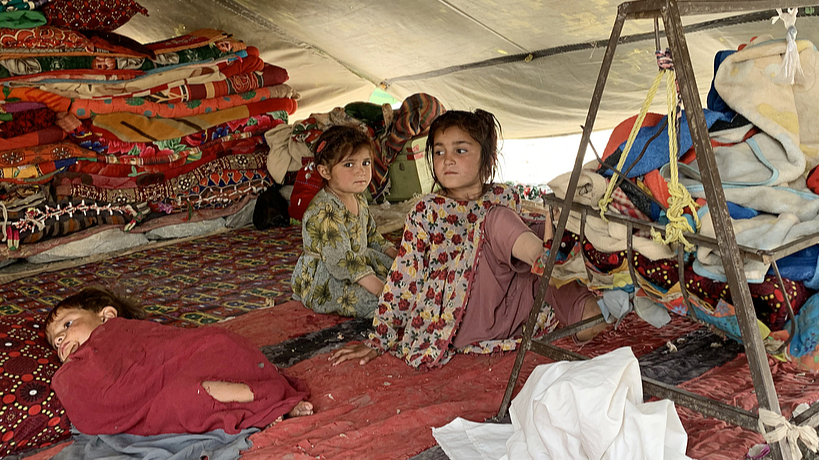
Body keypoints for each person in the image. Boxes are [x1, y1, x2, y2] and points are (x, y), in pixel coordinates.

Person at [330, 109, 607, 369]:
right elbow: (404, 276)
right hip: (463, 317)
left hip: (512, 311)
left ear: (486, 159)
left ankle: (581, 302)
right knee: (501, 222)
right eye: (439, 152)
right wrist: (381, 337)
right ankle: (553, 257)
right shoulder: (427, 210)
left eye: (460, 150)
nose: (447, 159)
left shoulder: (503, 195)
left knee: (535, 230)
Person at [44, 287, 314, 436]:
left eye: (67, 325)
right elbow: (106, 398)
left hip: (200, 356)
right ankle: (266, 402)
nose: (62, 339)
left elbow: (165, 349)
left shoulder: (117, 331)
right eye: (56, 342)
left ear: (107, 316)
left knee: (217, 344)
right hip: (169, 392)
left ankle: (271, 395)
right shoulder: (76, 368)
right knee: (182, 399)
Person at [291, 126, 398, 318]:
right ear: (325, 171)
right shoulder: (324, 211)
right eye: (349, 165)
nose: (361, 172)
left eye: (366, 163)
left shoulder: (359, 198)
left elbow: (372, 236)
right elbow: (341, 260)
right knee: (381, 303)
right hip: (330, 276)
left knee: (405, 279)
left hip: (358, 263)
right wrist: (382, 289)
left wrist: (400, 258)